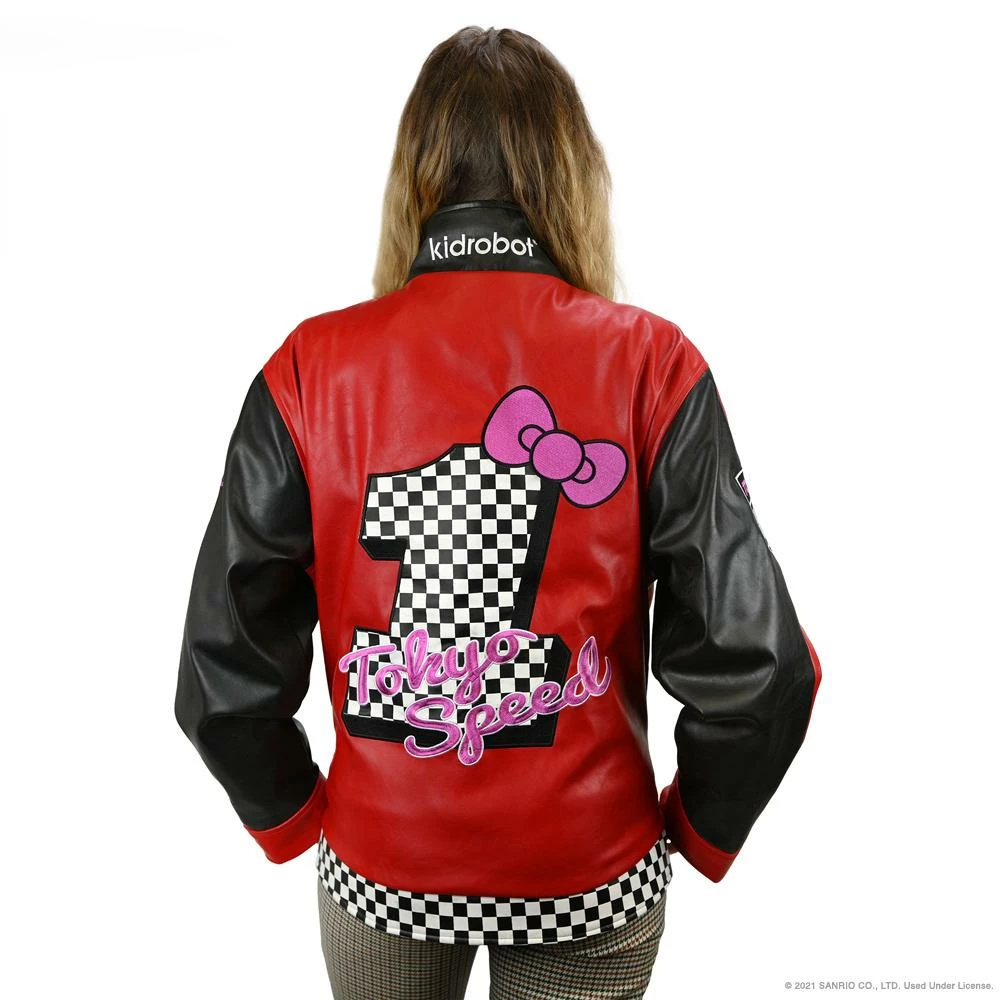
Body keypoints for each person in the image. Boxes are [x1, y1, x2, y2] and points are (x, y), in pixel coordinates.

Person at [174, 24, 822, 1000]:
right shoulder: (652, 364)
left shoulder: (310, 367)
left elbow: (222, 658)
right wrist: (698, 826)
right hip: (589, 873)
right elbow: (761, 667)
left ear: (415, 179)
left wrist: (294, 812)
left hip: (382, 867)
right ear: (573, 175)